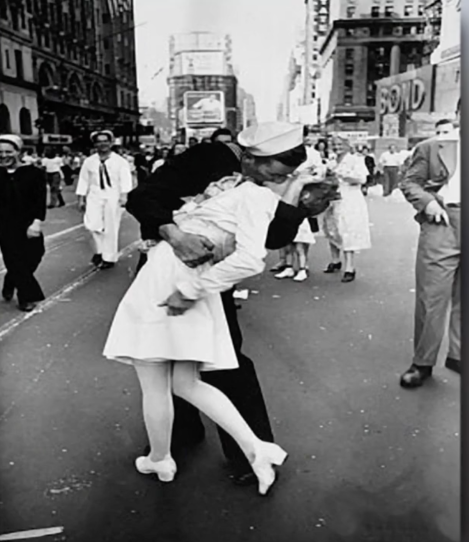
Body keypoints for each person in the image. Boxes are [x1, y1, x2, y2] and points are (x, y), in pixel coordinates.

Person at [103, 123, 334, 494]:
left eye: (284, 175)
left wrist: (291, 195)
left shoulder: (278, 184)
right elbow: (143, 196)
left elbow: (273, 238)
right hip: (170, 263)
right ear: (251, 156)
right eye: (271, 171)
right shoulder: (207, 157)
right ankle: (178, 437)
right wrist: (175, 235)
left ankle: (245, 453)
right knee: (170, 367)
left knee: (222, 363)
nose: (274, 178)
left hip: (210, 277)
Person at [398, 116, 461, 387]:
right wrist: (428, 203)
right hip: (444, 221)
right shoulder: (433, 147)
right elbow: (410, 182)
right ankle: (422, 362)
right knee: (432, 295)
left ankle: (458, 355)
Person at [0, 135, 47, 312]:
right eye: (0, 152)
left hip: (28, 222)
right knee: (14, 258)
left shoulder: (34, 173)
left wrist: (37, 222)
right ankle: (26, 297)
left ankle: (11, 280)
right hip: (4, 224)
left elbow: (40, 200)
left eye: (8, 151)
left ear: (19, 152)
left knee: (36, 254)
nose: (4, 155)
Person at [271, 126, 327, 282]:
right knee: (284, 229)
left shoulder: (313, 154)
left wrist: (306, 177)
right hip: (284, 193)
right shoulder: (282, 153)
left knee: (302, 233)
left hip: (305, 197)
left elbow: (321, 174)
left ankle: (303, 266)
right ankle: (288, 265)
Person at [76, 130, 133, 270]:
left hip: (113, 196)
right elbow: (84, 180)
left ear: (111, 143)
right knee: (92, 224)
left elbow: (125, 179)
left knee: (111, 227)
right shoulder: (89, 161)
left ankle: (109, 257)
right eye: (99, 141)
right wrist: (81, 198)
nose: (102, 144)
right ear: (95, 144)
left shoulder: (120, 161)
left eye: (105, 141)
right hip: (95, 195)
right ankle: (99, 250)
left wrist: (124, 196)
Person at [321, 136, 371, 283]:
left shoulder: (355, 160)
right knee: (332, 229)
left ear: (347, 146)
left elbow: (362, 179)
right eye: (334, 145)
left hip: (349, 198)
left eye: (340, 145)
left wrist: (342, 174)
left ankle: (350, 267)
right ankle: (335, 260)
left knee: (347, 230)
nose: (337, 147)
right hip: (332, 198)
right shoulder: (331, 160)